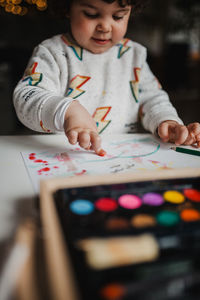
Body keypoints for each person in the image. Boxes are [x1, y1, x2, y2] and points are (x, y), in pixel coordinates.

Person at [13, 0, 200, 155]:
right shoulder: (52, 52)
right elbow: (26, 97)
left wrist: (166, 121)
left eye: (118, 16)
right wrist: (66, 110)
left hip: (122, 156)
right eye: (91, 14)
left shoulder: (134, 55)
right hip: (60, 156)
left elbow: (152, 98)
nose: (105, 26)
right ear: (68, 8)